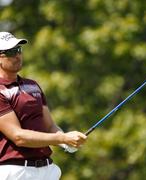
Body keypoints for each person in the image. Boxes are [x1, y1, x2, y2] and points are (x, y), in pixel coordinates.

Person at [0, 32, 87, 180]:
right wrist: (62, 139)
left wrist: (66, 143)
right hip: (16, 171)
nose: (17, 56)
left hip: (47, 170)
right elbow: (18, 136)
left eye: (19, 50)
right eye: (11, 52)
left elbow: (50, 126)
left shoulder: (32, 85)